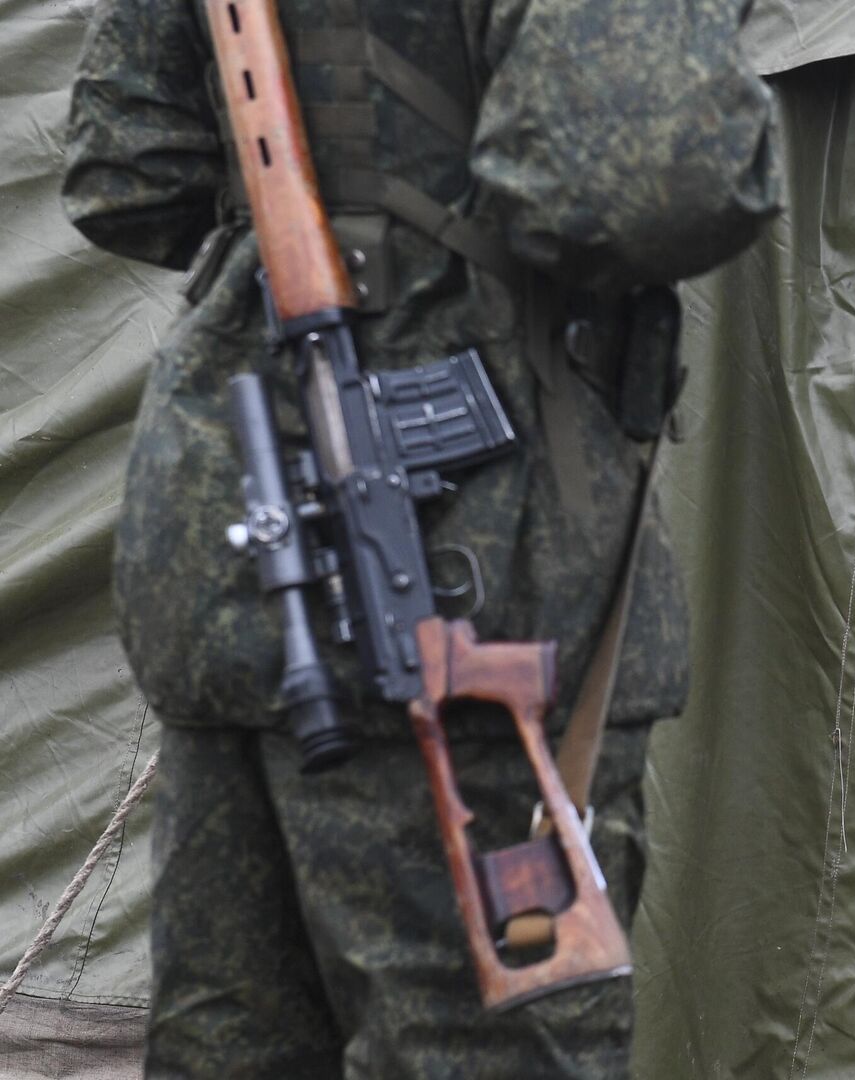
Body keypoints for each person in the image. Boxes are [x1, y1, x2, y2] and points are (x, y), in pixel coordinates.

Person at [61, 1, 774, 1075]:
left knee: (235, 1043)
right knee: (483, 1048)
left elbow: (131, 166)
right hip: (479, 571)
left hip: (235, 540)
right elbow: (640, 179)